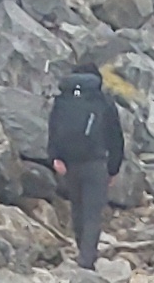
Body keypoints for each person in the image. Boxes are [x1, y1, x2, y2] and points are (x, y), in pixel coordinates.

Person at [47, 67, 128, 270]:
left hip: (70, 164)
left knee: (77, 208)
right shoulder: (103, 101)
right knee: (93, 212)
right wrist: (113, 168)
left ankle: (82, 249)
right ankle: (86, 258)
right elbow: (115, 137)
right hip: (96, 163)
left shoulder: (63, 100)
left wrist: (55, 157)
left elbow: (53, 128)